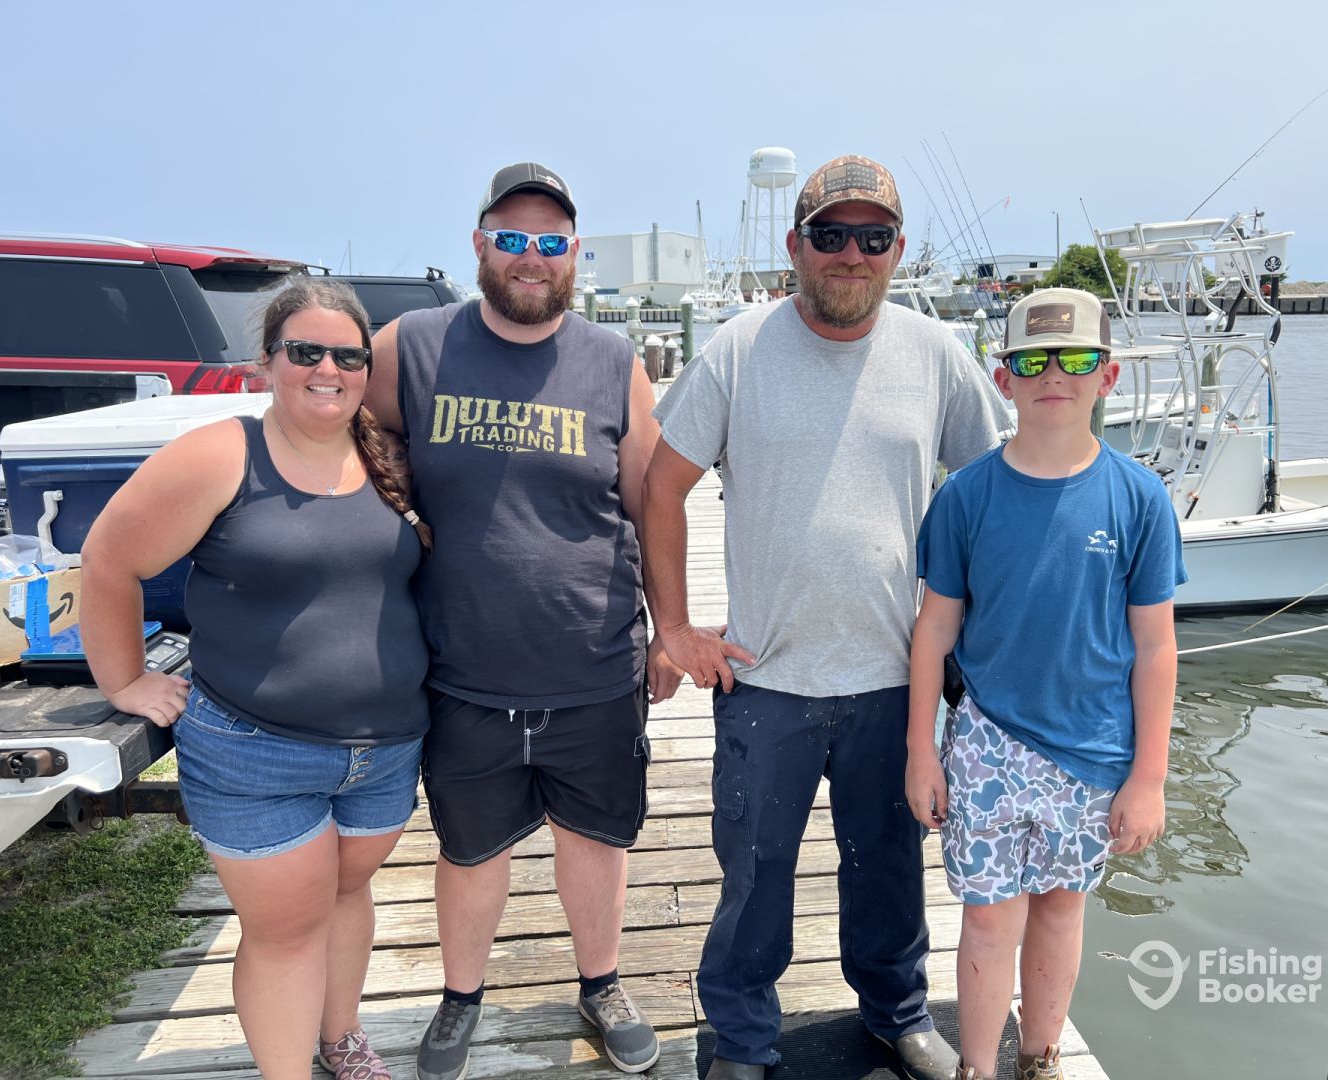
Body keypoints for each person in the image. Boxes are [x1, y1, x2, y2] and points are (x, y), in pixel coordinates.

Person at [642, 154, 1011, 1080]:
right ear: (795, 244)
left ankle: (897, 1012)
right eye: (832, 234)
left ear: (898, 250)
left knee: (888, 867)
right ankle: (741, 1037)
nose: (852, 254)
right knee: (753, 878)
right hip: (764, 677)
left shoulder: (937, 353)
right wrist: (675, 629)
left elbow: (993, 492)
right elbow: (660, 485)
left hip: (893, 677)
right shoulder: (738, 348)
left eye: (873, 237)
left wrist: (978, 630)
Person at [363, 162, 675, 1080]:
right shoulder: (410, 345)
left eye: (550, 242)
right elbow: (351, 446)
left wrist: (671, 628)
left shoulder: (615, 362)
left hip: (595, 660)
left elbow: (651, 505)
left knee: (597, 840)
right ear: (479, 245)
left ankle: (601, 983)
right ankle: (461, 997)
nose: (530, 257)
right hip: (463, 666)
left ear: (573, 253)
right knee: (467, 850)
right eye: (511, 239)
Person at [80, 279, 433, 1080]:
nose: (328, 370)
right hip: (255, 750)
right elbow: (109, 559)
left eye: (348, 356)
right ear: (266, 363)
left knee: (344, 897)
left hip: (384, 752)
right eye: (304, 351)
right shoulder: (222, 455)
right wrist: (126, 680)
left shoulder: (388, 457)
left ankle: (341, 1038)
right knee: (287, 930)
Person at [905, 287, 1185, 1079]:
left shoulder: (1140, 498)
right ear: (1003, 379)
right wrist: (921, 751)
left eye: (1077, 359)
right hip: (986, 744)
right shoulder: (965, 496)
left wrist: (1150, 777)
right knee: (988, 921)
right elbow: (934, 629)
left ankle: (1040, 1056)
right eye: (1031, 362)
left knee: (1062, 912)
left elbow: (1156, 647)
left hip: (1094, 754)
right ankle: (977, 1067)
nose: (1053, 375)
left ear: (1108, 376)